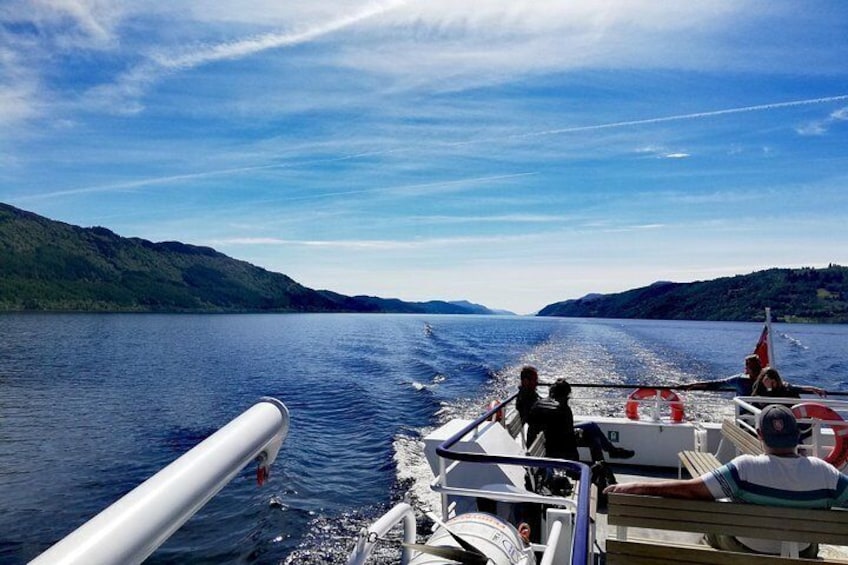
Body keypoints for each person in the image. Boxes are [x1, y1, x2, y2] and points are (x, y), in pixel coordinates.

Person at [604, 404, 848, 557]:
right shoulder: (825, 473)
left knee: (711, 530)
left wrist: (635, 486)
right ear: (797, 436)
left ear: (761, 435)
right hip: (801, 554)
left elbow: (691, 491)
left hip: (745, 551)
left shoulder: (745, 468)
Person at [526, 377, 635, 462]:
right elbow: (568, 439)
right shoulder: (562, 409)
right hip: (558, 444)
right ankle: (607, 461)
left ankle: (610, 455)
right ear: (565, 395)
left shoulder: (540, 403)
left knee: (591, 428)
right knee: (593, 435)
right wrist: (577, 434)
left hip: (552, 437)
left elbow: (535, 428)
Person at [680, 354, 762, 396]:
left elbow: (717, 384)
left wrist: (693, 385)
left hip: (745, 416)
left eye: (747, 365)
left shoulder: (739, 380)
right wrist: (694, 385)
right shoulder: (767, 379)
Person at [751, 366, 826, 398]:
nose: (773, 384)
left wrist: (815, 389)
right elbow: (761, 403)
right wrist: (768, 389)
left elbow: (800, 388)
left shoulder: (784, 387)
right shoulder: (758, 388)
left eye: (774, 382)